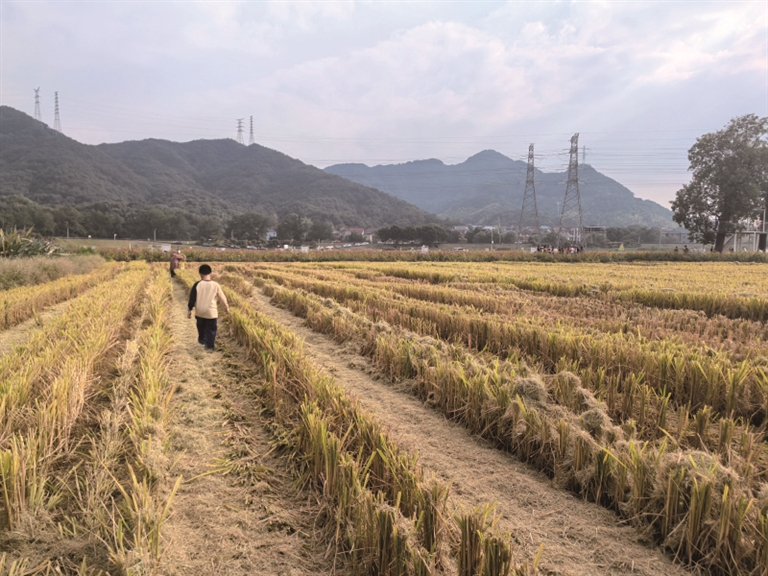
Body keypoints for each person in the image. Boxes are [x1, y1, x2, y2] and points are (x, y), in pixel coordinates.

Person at [187, 264, 230, 351]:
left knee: (201, 328)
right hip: (211, 313)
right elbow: (222, 298)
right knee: (211, 330)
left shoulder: (197, 284)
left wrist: (189, 309)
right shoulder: (215, 285)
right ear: (211, 274)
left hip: (199, 313)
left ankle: (202, 340)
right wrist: (226, 307)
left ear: (200, 274)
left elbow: (192, 298)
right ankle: (209, 348)